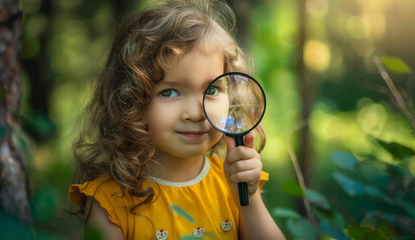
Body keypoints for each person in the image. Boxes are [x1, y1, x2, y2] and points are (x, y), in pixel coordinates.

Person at [69, 0, 285, 239]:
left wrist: (249, 200)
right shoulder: (109, 201)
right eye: (169, 92)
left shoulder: (231, 183)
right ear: (129, 102)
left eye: (211, 90)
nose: (195, 113)